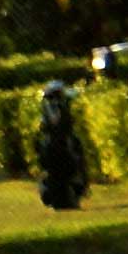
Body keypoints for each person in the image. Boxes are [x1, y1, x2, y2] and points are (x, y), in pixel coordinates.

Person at [39, 78, 90, 212]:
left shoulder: (51, 105)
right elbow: (55, 124)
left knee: (71, 169)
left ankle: (70, 197)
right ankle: (65, 199)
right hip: (58, 144)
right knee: (66, 169)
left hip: (58, 143)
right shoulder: (52, 106)